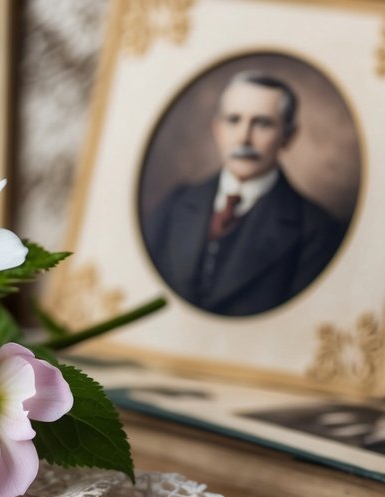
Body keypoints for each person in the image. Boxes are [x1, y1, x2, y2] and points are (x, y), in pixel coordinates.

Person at [142, 71, 346, 316]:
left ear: (289, 136)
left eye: (262, 123)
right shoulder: (176, 204)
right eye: (233, 120)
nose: (244, 138)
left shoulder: (317, 230)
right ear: (217, 130)